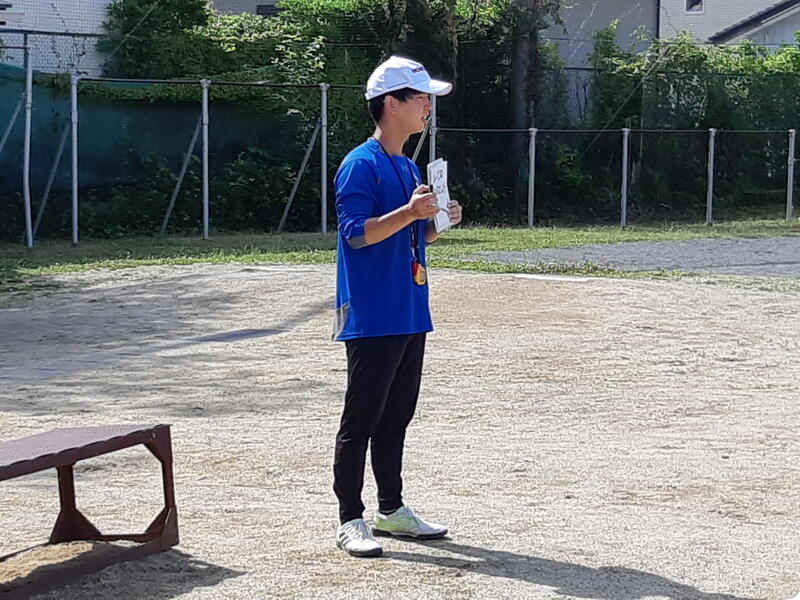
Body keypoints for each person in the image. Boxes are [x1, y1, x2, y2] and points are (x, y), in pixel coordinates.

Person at [332, 55, 463, 558]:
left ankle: (391, 509)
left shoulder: (407, 166)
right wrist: (409, 211)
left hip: (409, 309)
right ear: (392, 103)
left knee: (396, 417)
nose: (428, 106)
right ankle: (350, 518)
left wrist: (438, 222)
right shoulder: (359, 164)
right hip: (373, 314)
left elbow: (411, 236)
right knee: (360, 422)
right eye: (421, 98)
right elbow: (357, 234)